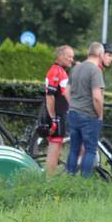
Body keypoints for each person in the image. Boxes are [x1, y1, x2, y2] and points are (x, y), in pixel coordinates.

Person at [65, 42, 107, 177]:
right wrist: (100, 115)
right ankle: (84, 183)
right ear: (100, 54)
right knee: (90, 150)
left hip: (73, 113)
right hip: (89, 116)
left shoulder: (76, 68)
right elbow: (97, 97)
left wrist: (74, 105)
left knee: (73, 149)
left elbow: (66, 92)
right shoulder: (95, 70)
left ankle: (69, 178)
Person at [43, 45, 74, 175]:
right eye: (69, 56)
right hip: (56, 116)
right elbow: (49, 96)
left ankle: (51, 176)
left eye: (72, 57)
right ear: (60, 56)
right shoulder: (55, 71)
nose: (71, 60)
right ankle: (48, 180)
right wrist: (52, 118)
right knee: (54, 149)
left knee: (58, 149)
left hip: (61, 114)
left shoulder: (61, 71)